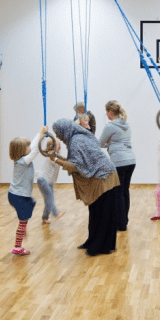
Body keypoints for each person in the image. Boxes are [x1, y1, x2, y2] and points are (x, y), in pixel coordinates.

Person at [50, 118, 120, 256]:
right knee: (95, 211)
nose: (57, 136)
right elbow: (76, 161)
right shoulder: (78, 137)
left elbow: (76, 166)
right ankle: (92, 241)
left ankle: (100, 246)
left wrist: (55, 160)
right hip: (101, 176)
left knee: (102, 213)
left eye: (58, 133)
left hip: (104, 177)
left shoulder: (76, 141)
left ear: (64, 130)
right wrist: (57, 157)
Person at [99, 100, 135, 231]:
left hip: (119, 162)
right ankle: (124, 220)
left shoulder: (109, 126)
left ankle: (121, 224)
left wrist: (111, 144)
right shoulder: (126, 123)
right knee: (125, 191)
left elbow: (100, 143)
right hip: (131, 160)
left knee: (118, 193)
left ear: (109, 113)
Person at [7, 134, 40, 256]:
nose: (29, 147)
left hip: (19, 195)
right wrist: (41, 134)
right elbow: (35, 151)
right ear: (21, 150)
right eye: (27, 146)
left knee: (32, 203)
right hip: (18, 196)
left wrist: (39, 134)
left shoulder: (22, 160)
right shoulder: (23, 162)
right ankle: (17, 247)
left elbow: (33, 146)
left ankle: (22, 227)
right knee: (23, 221)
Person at [35, 135, 65, 225]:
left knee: (49, 200)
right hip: (43, 179)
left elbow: (63, 160)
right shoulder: (51, 155)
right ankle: (54, 214)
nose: (59, 146)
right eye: (57, 144)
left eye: (59, 145)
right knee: (50, 199)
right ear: (52, 147)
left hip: (50, 181)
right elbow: (60, 160)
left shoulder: (57, 156)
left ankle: (46, 217)